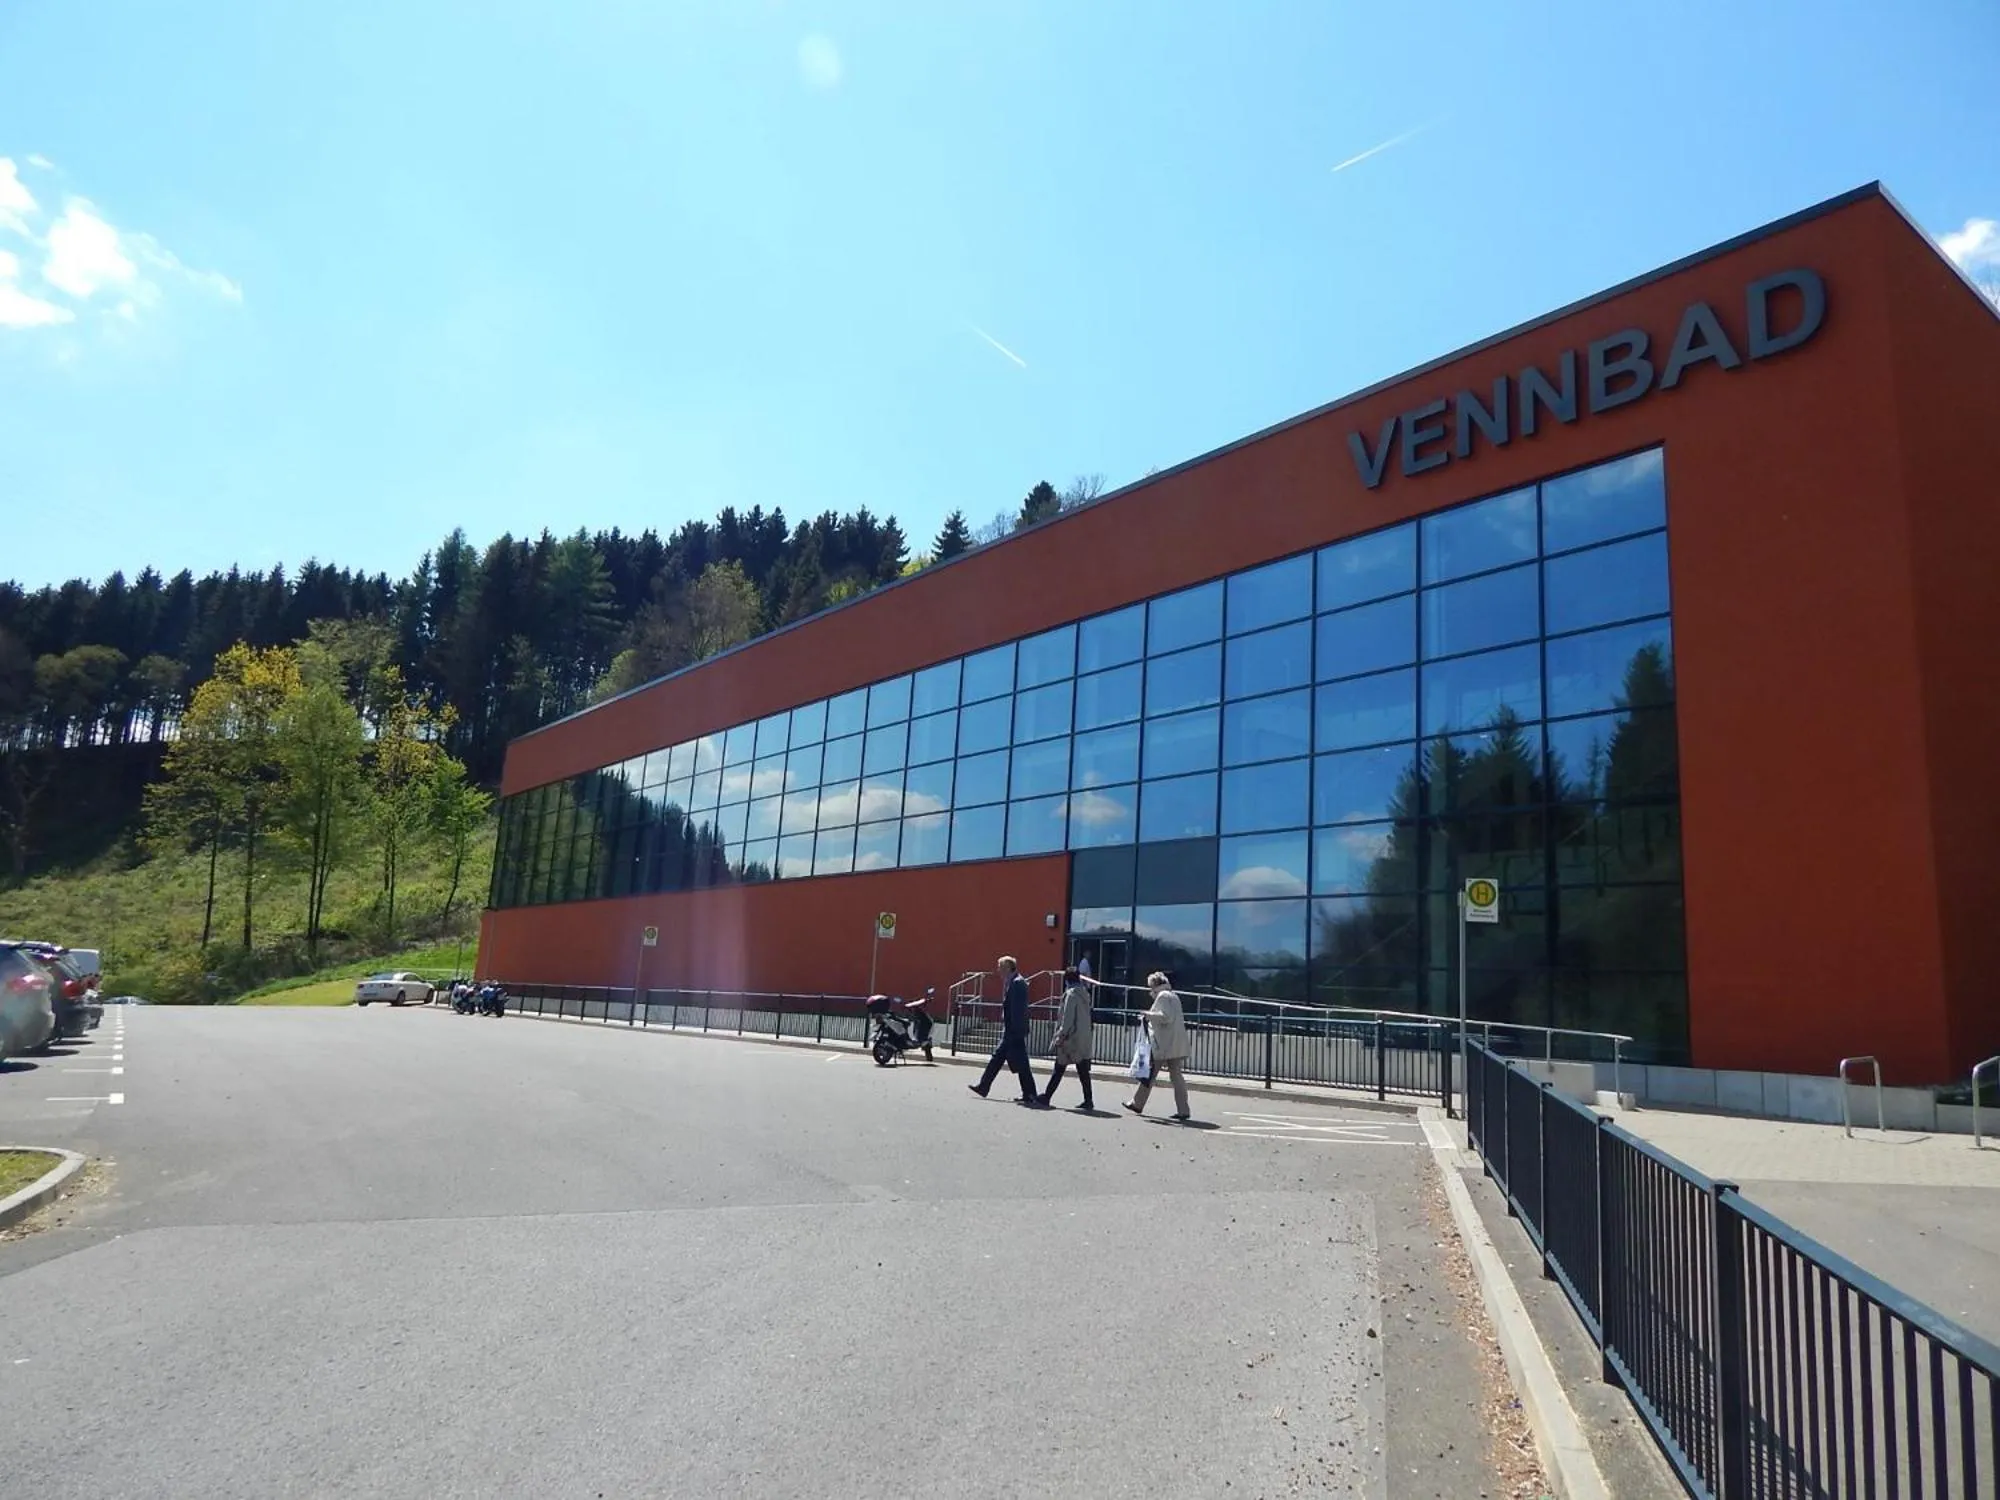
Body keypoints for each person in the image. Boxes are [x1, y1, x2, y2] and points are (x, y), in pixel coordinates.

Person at [969, 955, 1041, 1105]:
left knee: (1017, 1063)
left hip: (1013, 1030)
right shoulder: (1013, 982)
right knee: (1006, 1060)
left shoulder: (1017, 983)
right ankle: (986, 1086)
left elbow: (1018, 1010)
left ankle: (1029, 1093)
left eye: (1000, 967)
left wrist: (1015, 1030)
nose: (998, 970)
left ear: (1008, 968)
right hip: (1012, 1030)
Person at [1125, 970, 1191, 1121]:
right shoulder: (1173, 996)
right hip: (1175, 1043)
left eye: (1150, 986)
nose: (1150, 990)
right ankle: (1183, 1109)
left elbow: (1165, 1017)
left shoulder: (1163, 996)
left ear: (1155, 985)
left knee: (1149, 1074)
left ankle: (1137, 1103)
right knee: (1176, 1077)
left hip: (1163, 1044)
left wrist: (1147, 1015)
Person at [1040, 966, 1094, 1110]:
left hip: (1071, 1038)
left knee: (1059, 1067)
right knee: (1083, 1070)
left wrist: (1061, 1035)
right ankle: (1088, 1099)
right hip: (1083, 1037)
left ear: (1067, 980)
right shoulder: (1084, 994)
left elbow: (1067, 1019)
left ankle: (1047, 1096)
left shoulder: (1071, 995)